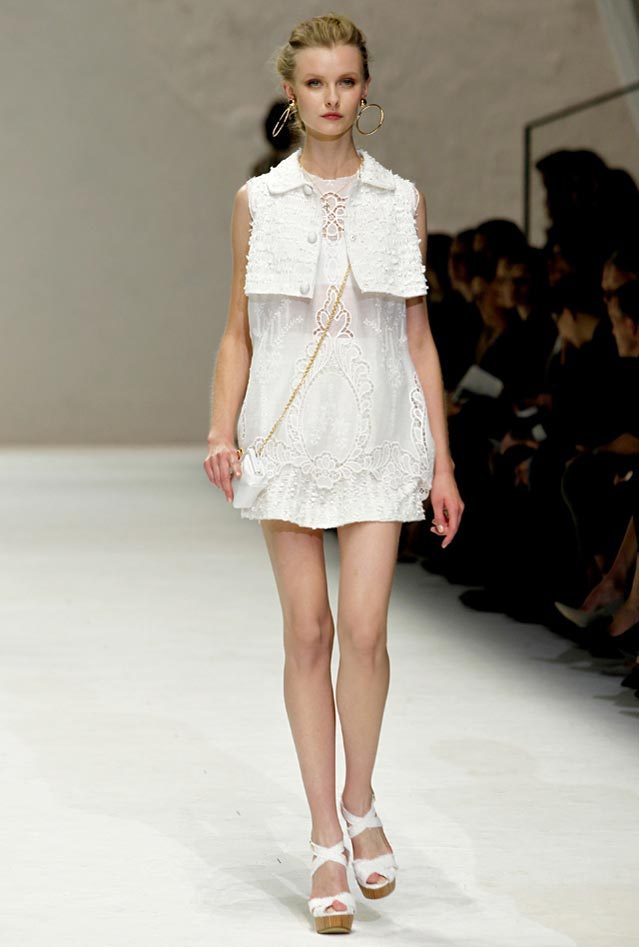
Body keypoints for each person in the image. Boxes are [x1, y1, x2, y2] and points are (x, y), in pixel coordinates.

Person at [203, 13, 463, 935]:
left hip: (379, 433)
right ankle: (323, 837)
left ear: (365, 89)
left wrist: (442, 462)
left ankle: (360, 802)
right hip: (287, 436)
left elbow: (418, 339)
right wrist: (220, 427)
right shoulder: (259, 201)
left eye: (345, 81)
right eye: (314, 83)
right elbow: (237, 332)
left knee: (365, 629)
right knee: (308, 633)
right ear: (291, 91)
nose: (330, 97)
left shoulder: (400, 200)